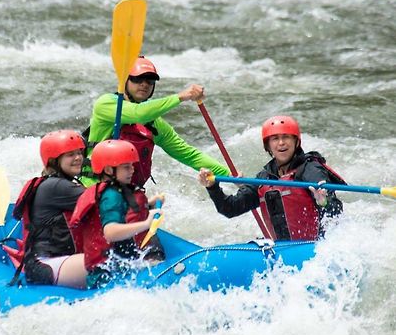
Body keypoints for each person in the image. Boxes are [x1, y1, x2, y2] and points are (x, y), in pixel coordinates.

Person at [79, 56, 229, 187]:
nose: (144, 84)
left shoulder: (154, 125)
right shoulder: (107, 104)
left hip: (126, 195)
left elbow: (189, 155)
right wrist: (181, 96)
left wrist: (229, 175)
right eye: (137, 79)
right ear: (125, 80)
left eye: (149, 81)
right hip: (91, 189)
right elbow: (138, 114)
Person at [198, 115, 344, 241]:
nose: (281, 143)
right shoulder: (264, 178)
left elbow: (336, 211)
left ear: (296, 142)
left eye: (286, 137)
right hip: (281, 249)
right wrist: (212, 187)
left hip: (313, 248)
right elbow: (230, 209)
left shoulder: (310, 169)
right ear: (268, 146)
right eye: (275, 139)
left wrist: (324, 202)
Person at [70, 139, 163, 289]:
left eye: (132, 166)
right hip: (106, 274)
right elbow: (110, 232)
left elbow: (126, 211)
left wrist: (151, 203)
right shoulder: (110, 196)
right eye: (126, 167)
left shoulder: (115, 190)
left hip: (118, 265)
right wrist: (146, 224)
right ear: (108, 170)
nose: (132, 170)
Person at [10, 130, 89, 288]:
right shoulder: (57, 186)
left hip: (58, 261)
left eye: (79, 152)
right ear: (54, 160)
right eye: (70, 154)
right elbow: (103, 204)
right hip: (45, 265)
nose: (78, 158)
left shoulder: (55, 183)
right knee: (104, 260)